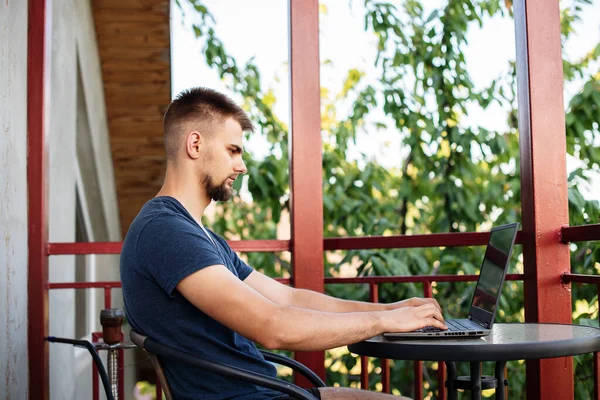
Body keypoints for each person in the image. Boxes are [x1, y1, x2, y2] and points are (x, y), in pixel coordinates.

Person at [120, 87, 447, 400]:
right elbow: (271, 326)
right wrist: (385, 322)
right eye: (233, 150)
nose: (242, 166)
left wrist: (392, 310)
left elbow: (287, 297)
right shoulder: (165, 231)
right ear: (195, 144)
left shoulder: (199, 236)